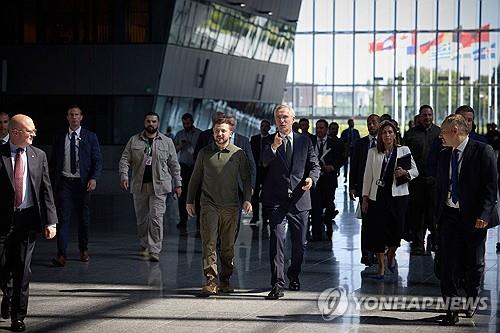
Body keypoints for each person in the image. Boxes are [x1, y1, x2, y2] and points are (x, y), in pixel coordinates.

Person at [434, 114, 498, 326]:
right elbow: (441, 188)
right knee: (447, 266)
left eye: (442, 132)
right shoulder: (444, 155)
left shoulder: (483, 151)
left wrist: (485, 214)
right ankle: (451, 311)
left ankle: (471, 299)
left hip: (474, 218)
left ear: (455, 131)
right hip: (449, 215)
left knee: (474, 263)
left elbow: (491, 187)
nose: (440, 137)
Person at [0, 114, 57, 332]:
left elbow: (46, 189)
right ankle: (8, 292)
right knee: (3, 267)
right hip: (2, 220)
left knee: (23, 270)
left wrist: (51, 221)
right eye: (29, 130)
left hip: (28, 219)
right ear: (15, 133)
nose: (34, 134)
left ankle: (18, 317)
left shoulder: (38, 155)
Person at [186, 117, 252, 295]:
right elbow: (195, 178)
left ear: (230, 133)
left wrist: (248, 199)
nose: (219, 134)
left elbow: (246, 179)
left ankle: (225, 279)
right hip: (209, 205)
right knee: (209, 243)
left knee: (228, 246)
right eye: (216, 131)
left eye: (223, 131)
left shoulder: (238, 154)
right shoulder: (204, 153)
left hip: (231, 206)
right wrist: (189, 200)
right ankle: (211, 280)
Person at [261, 104, 320, 300]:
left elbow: (314, 165)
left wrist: (312, 179)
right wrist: (274, 147)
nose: (282, 120)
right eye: (279, 117)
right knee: (276, 242)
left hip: (300, 199)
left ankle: (294, 273)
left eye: (285, 117)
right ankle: (277, 284)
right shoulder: (268, 141)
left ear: (292, 119)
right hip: (276, 201)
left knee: (299, 245)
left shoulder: (305, 141)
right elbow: (264, 162)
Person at [119, 112, 182, 262]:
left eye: (154, 121)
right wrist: (124, 175)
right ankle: (144, 244)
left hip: (159, 187)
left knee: (156, 218)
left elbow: (174, 164)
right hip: (140, 186)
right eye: (148, 121)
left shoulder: (167, 142)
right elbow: (124, 160)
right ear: (144, 122)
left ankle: (154, 250)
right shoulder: (134, 140)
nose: (151, 124)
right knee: (142, 220)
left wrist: (178, 183)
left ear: (158, 124)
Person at [361, 120, 418, 279]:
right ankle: (380, 266)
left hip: (398, 197)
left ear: (395, 134)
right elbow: (367, 177)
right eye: (384, 132)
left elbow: (415, 171)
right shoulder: (373, 152)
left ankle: (391, 254)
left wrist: (405, 173)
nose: (387, 135)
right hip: (378, 196)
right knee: (378, 231)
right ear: (380, 135)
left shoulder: (403, 150)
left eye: (390, 132)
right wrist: (365, 198)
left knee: (396, 230)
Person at [50, 106, 102, 266]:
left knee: (83, 219)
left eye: (77, 114)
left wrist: (94, 178)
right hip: (65, 182)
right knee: (63, 219)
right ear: (67, 117)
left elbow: (97, 160)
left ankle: (83, 249)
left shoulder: (90, 137)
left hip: (83, 183)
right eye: (71, 115)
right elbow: (54, 161)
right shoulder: (60, 136)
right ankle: (61, 255)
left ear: (81, 117)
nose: (74, 117)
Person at [404, 105, 440, 255]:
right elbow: (405, 157)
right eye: (424, 115)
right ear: (419, 117)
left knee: (434, 213)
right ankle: (418, 243)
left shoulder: (439, 132)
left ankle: (436, 241)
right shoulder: (411, 134)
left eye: (429, 115)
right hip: (416, 180)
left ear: (433, 116)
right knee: (417, 213)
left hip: (435, 181)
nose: (427, 118)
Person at [349, 114, 380, 266]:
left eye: (374, 122)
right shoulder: (361, 143)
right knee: (366, 223)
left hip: (380, 189)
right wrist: (352, 186)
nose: (371, 125)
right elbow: (354, 165)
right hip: (364, 189)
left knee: (378, 222)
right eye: (369, 123)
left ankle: (378, 252)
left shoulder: (384, 143)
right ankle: (366, 254)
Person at [310, 119, 345, 241]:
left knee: (329, 204)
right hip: (314, 180)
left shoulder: (335, 143)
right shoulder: (310, 141)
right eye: (317, 128)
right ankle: (316, 232)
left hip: (329, 179)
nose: (319, 130)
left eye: (321, 128)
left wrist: (333, 166)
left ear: (326, 129)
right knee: (315, 206)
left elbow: (342, 158)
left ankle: (328, 225)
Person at [173, 113, 201, 232]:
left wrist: (191, 147)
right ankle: (183, 220)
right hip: (183, 167)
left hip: (196, 167)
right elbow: (173, 150)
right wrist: (180, 146)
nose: (186, 125)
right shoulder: (179, 134)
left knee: (198, 194)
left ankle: (200, 221)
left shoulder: (199, 134)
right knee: (182, 194)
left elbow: (201, 151)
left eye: (188, 123)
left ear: (192, 122)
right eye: (184, 124)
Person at [250, 119, 271, 226]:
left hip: (268, 171)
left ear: (269, 128)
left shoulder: (272, 139)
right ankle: (255, 216)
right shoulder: (254, 139)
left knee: (266, 195)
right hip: (256, 170)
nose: (264, 128)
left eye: (266, 126)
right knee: (254, 195)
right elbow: (249, 155)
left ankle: (265, 217)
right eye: (262, 126)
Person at [341, 119, 360, 183]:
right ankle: (345, 177)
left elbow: (359, 140)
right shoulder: (344, 132)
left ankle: (352, 177)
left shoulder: (356, 131)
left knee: (353, 164)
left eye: (353, 123)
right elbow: (341, 141)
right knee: (345, 164)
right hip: (346, 150)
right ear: (348, 124)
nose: (352, 124)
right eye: (351, 123)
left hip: (354, 150)